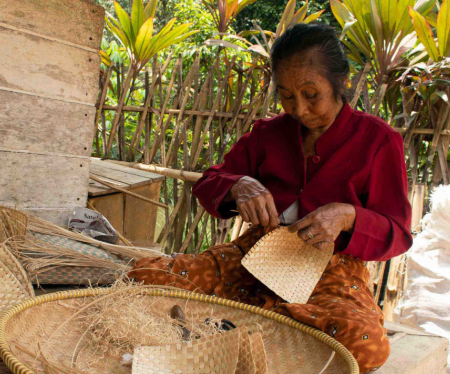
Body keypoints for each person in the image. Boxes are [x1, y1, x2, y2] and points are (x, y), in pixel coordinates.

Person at [129, 23, 412, 373]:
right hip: (253, 256)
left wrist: (349, 215)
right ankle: (258, 325)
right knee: (146, 276)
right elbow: (209, 181)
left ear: (341, 83)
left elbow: (398, 232)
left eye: (311, 94)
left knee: (364, 346)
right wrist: (238, 185)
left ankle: (246, 326)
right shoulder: (268, 133)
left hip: (331, 269)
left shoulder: (378, 141)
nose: (300, 109)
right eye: (286, 95)